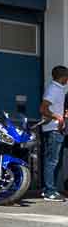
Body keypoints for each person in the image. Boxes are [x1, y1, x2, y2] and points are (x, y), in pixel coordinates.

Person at [39, 65, 68, 200]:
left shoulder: (59, 89)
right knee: (52, 161)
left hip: (57, 130)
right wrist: (58, 117)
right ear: (63, 77)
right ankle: (49, 191)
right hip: (52, 130)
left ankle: (51, 189)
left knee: (56, 161)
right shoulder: (53, 89)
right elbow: (43, 109)